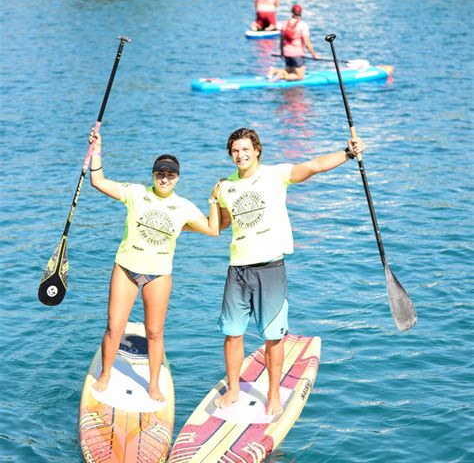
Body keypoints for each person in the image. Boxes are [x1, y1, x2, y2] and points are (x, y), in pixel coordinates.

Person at [213, 127, 366, 416]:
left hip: (270, 266)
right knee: (233, 334)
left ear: (257, 150)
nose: (240, 155)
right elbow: (220, 224)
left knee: (273, 336)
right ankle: (234, 389)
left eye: (246, 149)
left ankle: (272, 396)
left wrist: (348, 153)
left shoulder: (276, 174)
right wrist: (202, 207)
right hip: (237, 268)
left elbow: (313, 166)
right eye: (235, 151)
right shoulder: (225, 187)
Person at [88, 129, 220, 401]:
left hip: (158, 275)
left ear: (177, 178)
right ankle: (105, 375)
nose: (164, 178)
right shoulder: (135, 193)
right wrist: (96, 148)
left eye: (170, 174)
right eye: (160, 173)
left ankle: (153, 385)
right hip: (125, 267)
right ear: (153, 175)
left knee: (155, 331)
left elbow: (212, 229)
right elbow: (98, 181)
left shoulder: (183, 207)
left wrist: (215, 200)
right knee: (114, 327)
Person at [267, 4, 319, 82]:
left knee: (289, 71)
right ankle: (282, 76)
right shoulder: (303, 25)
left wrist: (282, 52)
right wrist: (314, 55)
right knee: (300, 76)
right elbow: (307, 44)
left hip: (286, 53)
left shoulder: (284, 24)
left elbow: (281, 41)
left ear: (292, 13)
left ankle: (274, 70)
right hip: (297, 55)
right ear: (301, 13)